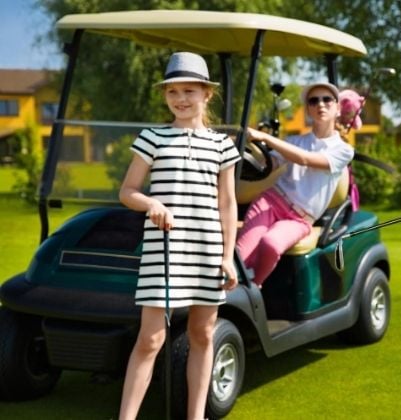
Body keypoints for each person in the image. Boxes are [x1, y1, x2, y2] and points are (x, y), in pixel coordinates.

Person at [118, 52, 241, 420]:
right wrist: (151, 203)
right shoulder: (152, 137)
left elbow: (228, 204)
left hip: (206, 250)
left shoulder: (223, 145)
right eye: (173, 91)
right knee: (150, 340)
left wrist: (226, 256)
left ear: (207, 95)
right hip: (164, 250)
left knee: (203, 335)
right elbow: (128, 191)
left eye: (189, 90)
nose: (181, 99)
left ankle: (196, 416)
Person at [236, 82, 354, 286]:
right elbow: (269, 165)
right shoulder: (294, 141)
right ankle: (231, 292)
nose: (321, 104)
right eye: (314, 100)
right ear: (308, 108)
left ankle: (254, 288)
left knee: (270, 244)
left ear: (337, 108)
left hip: (299, 219)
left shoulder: (343, 150)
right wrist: (246, 155)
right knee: (240, 254)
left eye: (327, 100)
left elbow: (307, 159)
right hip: (270, 203)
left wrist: (266, 137)